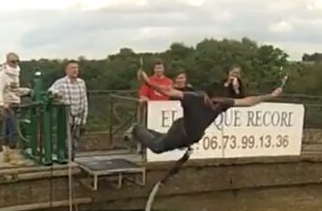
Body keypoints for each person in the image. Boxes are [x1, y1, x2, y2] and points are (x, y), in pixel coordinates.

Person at [126, 69, 283, 154]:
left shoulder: (222, 103)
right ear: (208, 96)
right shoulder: (194, 98)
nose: (214, 106)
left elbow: (249, 101)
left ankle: (145, 131)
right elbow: (168, 91)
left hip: (191, 134)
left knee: (165, 141)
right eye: (213, 102)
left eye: (216, 103)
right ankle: (136, 129)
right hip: (181, 131)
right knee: (158, 147)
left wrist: (271, 95)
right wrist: (148, 82)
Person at [0, 52, 31, 164]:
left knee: (7, 130)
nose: (15, 64)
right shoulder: (4, 74)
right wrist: (1, 104)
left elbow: (14, 89)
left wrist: (27, 91)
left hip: (14, 103)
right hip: (7, 105)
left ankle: (7, 155)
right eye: (12, 61)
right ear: (8, 62)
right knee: (13, 130)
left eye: (17, 61)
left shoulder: (15, 73)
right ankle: (12, 155)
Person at [48, 60, 88, 161]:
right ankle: (65, 159)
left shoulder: (81, 82)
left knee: (75, 141)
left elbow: (84, 100)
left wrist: (85, 117)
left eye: (76, 68)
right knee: (65, 141)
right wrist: (57, 94)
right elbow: (50, 92)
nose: (75, 70)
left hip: (78, 117)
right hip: (65, 118)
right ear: (67, 70)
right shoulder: (60, 82)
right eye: (72, 68)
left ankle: (71, 159)